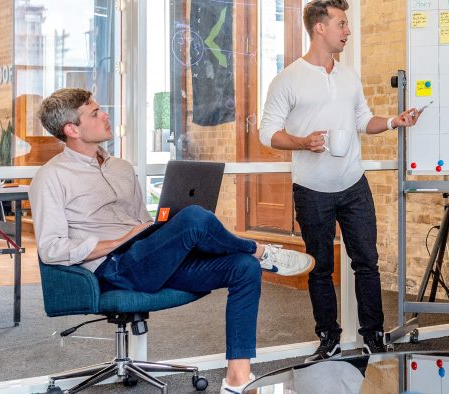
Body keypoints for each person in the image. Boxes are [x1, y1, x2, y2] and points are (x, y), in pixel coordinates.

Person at [30, 88, 315, 393]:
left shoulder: (121, 168)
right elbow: (51, 249)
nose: (105, 114)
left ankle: (237, 378)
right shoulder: (51, 178)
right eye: (95, 112)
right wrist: (116, 242)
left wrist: (157, 230)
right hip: (116, 267)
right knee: (195, 218)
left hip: (148, 257)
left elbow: (140, 222)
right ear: (72, 129)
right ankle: (261, 251)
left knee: (242, 267)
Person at [259, 0, 420, 361]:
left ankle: (373, 335)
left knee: (367, 261)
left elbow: (364, 121)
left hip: (353, 185)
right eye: (341, 24)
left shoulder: (348, 77)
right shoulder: (288, 79)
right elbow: (267, 133)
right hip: (312, 189)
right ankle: (328, 337)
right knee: (320, 265)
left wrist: (395, 121)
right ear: (320, 27)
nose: (347, 31)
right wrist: (302, 141)